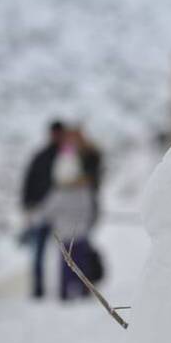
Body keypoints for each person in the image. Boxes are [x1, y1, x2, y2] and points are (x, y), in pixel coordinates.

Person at [32, 128, 104, 300]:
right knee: (82, 263)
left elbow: (46, 212)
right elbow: (90, 210)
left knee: (66, 267)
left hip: (65, 236)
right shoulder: (84, 191)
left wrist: (36, 217)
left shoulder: (58, 194)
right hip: (81, 234)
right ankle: (85, 291)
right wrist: (89, 222)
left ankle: (65, 294)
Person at [21, 120, 64, 298]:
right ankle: (38, 289)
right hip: (41, 212)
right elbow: (28, 182)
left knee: (66, 252)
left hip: (63, 213)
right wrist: (28, 206)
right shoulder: (41, 157)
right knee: (38, 252)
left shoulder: (68, 156)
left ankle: (65, 288)